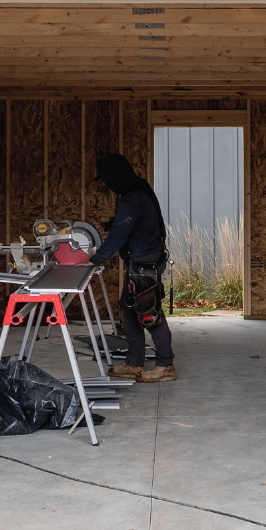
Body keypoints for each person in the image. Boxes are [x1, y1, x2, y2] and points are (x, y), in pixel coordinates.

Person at [88, 153, 176, 382]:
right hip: (146, 258)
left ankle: (166, 366)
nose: (106, 184)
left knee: (149, 313)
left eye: (106, 179)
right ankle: (134, 363)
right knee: (128, 310)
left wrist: (94, 260)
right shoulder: (139, 189)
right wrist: (107, 224)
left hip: (144, 262)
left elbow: (120, 234)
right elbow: (135, 222)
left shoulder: (130, 198)